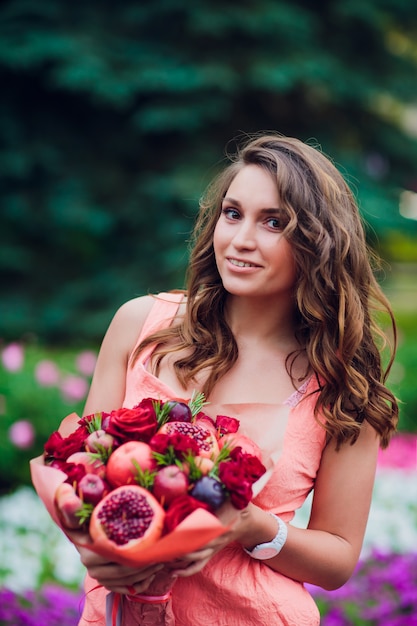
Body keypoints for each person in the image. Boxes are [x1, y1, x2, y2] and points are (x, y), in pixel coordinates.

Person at [75, 133, 398, 626]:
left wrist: (250, 525)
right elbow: (82, 477)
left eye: (273, 222)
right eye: (232, 213)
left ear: (318, 243)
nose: (241, 239)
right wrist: (99, 551)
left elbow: (337, 559)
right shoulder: (140, 326)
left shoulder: (339, 385)